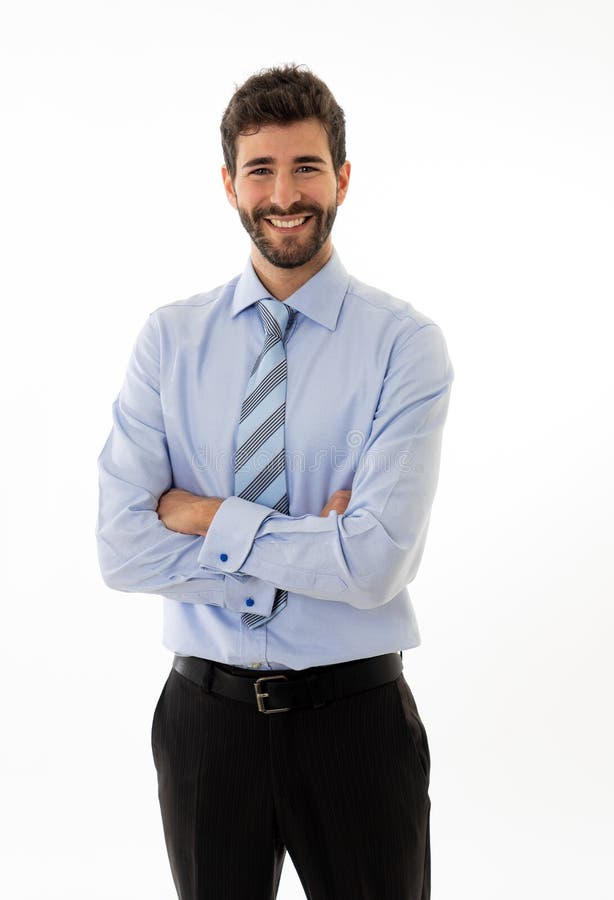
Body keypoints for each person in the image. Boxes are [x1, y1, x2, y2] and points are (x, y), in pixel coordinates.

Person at [96, 63, 454, 900]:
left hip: (355, 723)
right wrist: (313, 544)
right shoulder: (170, 341)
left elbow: (373, 565)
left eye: (306, 167)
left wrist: (203, 514)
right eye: (261, 169)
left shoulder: (405, 346)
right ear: (229, 184)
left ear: (343, 179)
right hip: (202, 724)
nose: (284, 194)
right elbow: (122, 550)